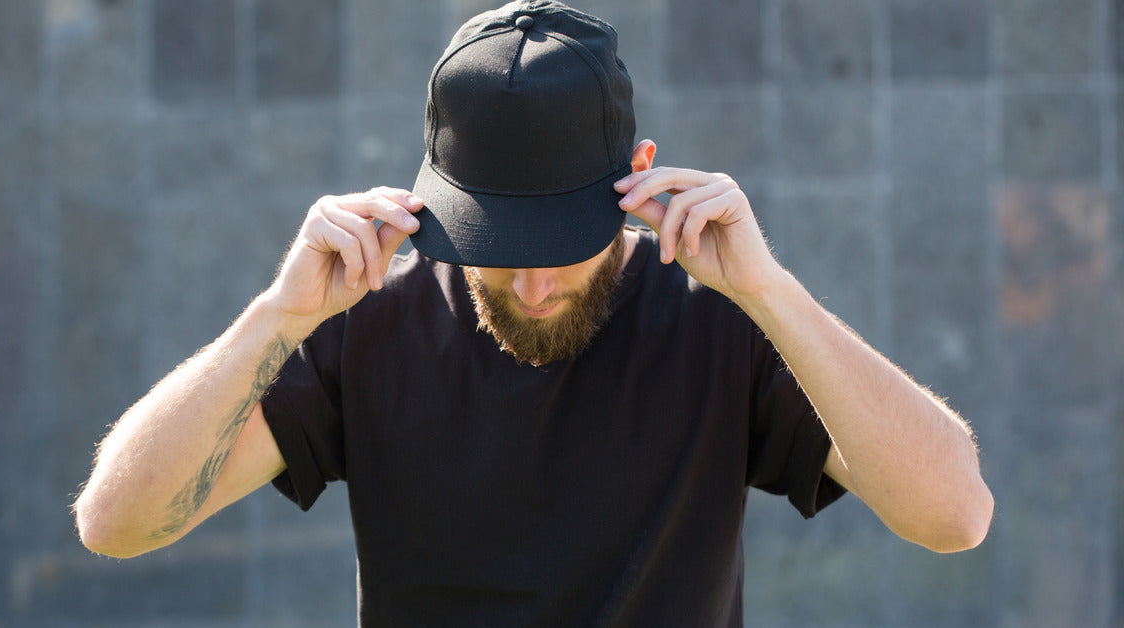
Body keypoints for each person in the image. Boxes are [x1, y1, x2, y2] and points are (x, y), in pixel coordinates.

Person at [74, 1, 993, 625]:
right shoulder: (368, 328)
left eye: (562, 243)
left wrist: (773, 294)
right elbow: (115, 524)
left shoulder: (720, 325)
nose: (535, 285)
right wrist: (275, 317)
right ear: (436, 199)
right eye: (497, 247)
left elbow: (954, 516)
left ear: (637, 175)